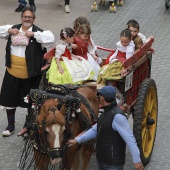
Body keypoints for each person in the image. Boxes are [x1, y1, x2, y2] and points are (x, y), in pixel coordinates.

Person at [0, 7, 54, 137]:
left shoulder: (39, 33)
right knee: (9, 100)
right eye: (25, 16)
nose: (27, 19)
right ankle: (11, 125)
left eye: (30, 17)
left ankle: (28, 125)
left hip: (31, 74)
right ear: (21, 17)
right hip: (12, 72)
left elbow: (50, 39)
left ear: (33, 19)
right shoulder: (13, 29)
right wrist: (9, 30)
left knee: (31, 102)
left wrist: (33, 34)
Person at [67, 86, 144, 170]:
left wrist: (137, 160)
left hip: (113, 164)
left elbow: (130, 139)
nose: (99, 98)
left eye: (100, 96)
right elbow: (95, 130)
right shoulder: (105, 114)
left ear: (103, 98)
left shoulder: (117, 116)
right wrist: (77, 141)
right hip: (102, 161)